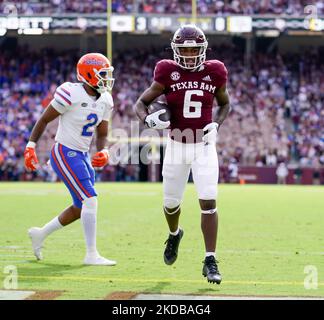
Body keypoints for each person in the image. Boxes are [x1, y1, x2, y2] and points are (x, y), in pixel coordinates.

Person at [135, 25, 231, 284]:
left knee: (208, 200)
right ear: (176, 50)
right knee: (170, 204)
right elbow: (140, 103)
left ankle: (210, 259)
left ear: (203, 50)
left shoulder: (215, 70)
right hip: (176, 147)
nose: (189, 54)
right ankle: (175, 233)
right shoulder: (166, 71)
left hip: (203, 146)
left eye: (194, 49)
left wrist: (217, 124)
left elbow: (225, 103)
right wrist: (148, 120)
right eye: (184, 49)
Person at [23, 53, 116, 266]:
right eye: (103, 74)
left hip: (82, 155)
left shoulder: (106, 99)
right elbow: (44, 119)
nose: (107, 79)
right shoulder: (71, 92)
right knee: (90, 199)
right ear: (89, 74)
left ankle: (40, 234)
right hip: (65, 152)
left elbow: (102, 135)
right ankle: (91, 254)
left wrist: (104, 152)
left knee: (80, 207)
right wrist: (31, 146)